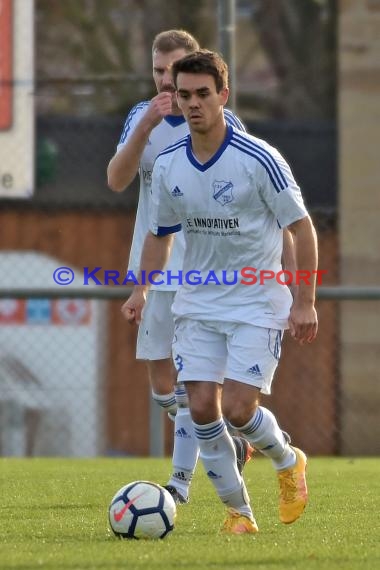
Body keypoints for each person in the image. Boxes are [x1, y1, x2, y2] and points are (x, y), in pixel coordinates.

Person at [123, 49, 318, 535]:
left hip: (258, 299)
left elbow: (302, 227)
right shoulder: (169, 164)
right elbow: (159, 233)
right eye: (183, 94)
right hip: (197, 301)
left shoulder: (259, 159)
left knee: (238, 408)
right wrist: (141, 290)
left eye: (202, 94)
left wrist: (305, 301)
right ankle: (239, 514)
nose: (192, 103)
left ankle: (288, 459)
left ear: (222, 96)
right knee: (202, 407)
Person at [107, 30, 252, 505]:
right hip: (152, 268)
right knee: (163, 387)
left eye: (175, 71)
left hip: (204, 273)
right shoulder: (141, 116)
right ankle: (218, 438)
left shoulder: (225, 122)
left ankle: (180, 486)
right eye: (158, 71)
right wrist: (145, 127)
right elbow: (116, 180)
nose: (166, 82)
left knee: (193, 383)